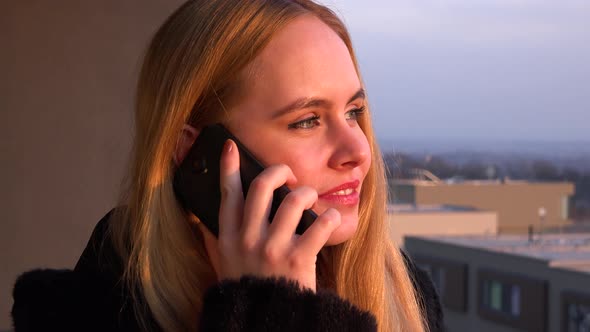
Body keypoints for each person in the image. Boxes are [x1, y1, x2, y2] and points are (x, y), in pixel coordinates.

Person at [11, 1, 443, 331]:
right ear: (196, 152)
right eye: (307, 121)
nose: (358, 150)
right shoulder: (95, 310)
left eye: (353, 112)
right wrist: (271, 311)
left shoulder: (405, 294)